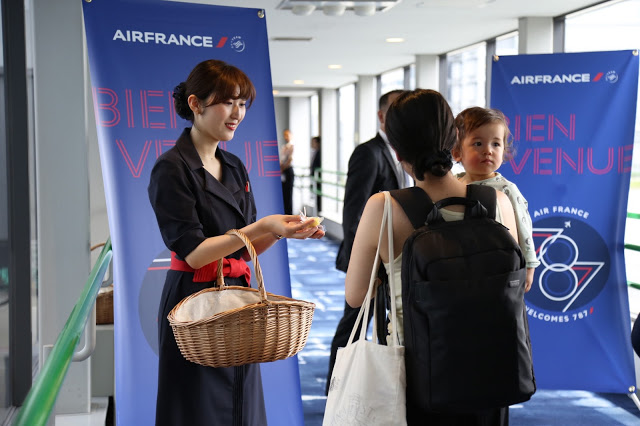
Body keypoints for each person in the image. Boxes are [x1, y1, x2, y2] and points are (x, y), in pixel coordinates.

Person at [147, 59, 324, 426]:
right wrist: (264, 225)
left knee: (242, 404)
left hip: (237, 299)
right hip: (194, 299)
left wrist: (283, 231)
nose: (237, 113)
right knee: (196, 408)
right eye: (228, 102)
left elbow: (244, 250)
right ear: (195, 104)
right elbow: (195, 254)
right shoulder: (172, 167)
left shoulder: (234, 166)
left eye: (242, 104)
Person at [345, 89, 518, 425]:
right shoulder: (498, 202)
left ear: (397, 151)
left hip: (419, 376)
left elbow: (355, 296)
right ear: (454, 141)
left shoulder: (384, 207)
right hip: (491, 368)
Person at [327, 89, 406, 394]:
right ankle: (336, 388)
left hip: (392, 258)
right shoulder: (368, 152)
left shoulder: (402, 152)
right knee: (354, 323)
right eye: (396, 111)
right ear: (381, 116)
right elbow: (354, 210)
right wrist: (361, 261)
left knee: (382, 324)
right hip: (370, 260)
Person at [453, 106, 539, 291]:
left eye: (496, 144)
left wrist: (529, 267)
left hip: (498, 269)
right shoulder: (453, 184)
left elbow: (524, 228)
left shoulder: (507, 189)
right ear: (457, 151)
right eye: (478, 144)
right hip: (461, 269)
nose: (488, 150)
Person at [280, 129, 295, 214]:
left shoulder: (292, 146)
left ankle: (289, 214)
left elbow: (290, 160)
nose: (286, 137)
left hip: (288, 171)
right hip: (283, 171)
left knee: (288, 194)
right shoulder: (284, 147)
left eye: (287, 135)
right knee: (284, 194)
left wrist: (282, 168)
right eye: (284, 135)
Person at [310, 136, 322, 212]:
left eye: (313, 142)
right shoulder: (315, 152)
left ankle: (319, 210)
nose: (311, 144)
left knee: (319, 196)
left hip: (318, 178)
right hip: (315, 177)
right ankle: (318, 210)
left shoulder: (320, 153)